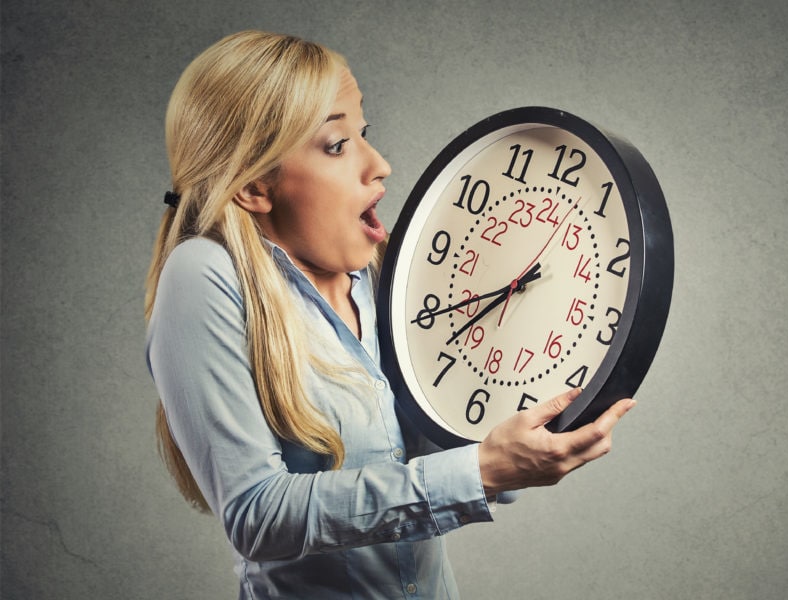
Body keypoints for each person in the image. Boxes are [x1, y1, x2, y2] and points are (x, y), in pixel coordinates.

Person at [145, 30, 635, 599]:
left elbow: (429, 446)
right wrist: (481, 471)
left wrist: (520, 432)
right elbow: (258, 515)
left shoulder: (383, 277)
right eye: (336, 144)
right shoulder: (204, 275)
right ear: (255, 184)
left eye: (364, 134)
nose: (380, 165)